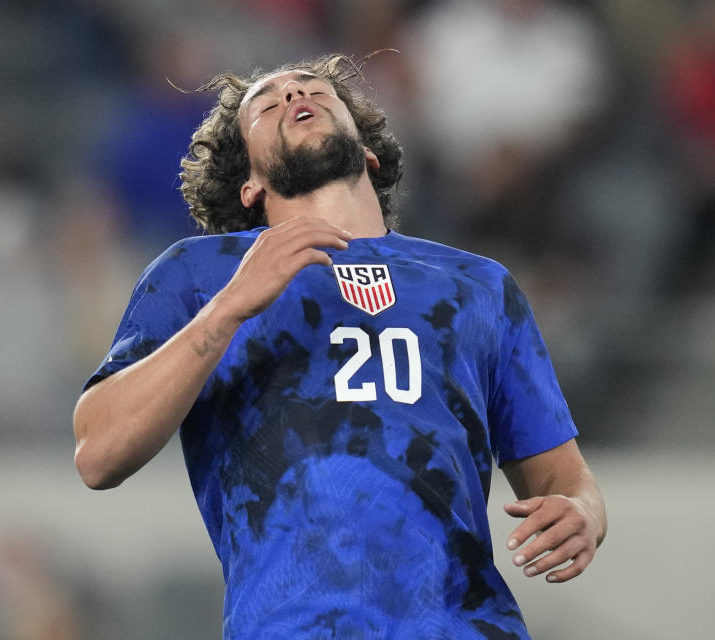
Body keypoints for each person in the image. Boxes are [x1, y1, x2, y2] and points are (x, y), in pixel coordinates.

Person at [73, 53, 607, 640]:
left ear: (369, 151)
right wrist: (229, 307)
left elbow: (562, 477)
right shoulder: (199, 272)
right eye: (267, 104)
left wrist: (580, 513)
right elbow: (99, 452)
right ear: (248, 183)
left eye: (313, 90)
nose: (294, 96)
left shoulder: (478, 286)